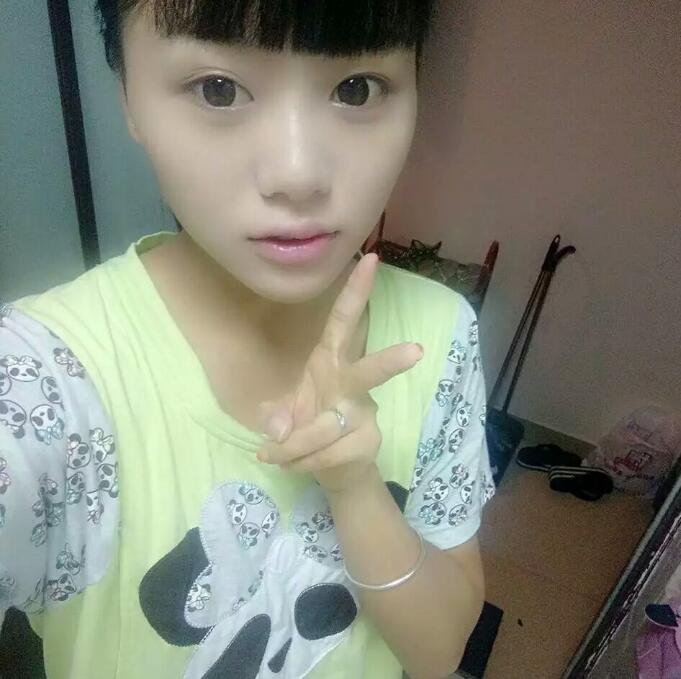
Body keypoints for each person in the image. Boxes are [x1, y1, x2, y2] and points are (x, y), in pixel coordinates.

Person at [0, 1, 496, 677]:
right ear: (129, 98)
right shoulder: (41, 379)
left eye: (356, 89)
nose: (298, 174)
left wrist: (355, 487)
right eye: (218, 89)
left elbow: (439, 653)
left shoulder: (437, 334)